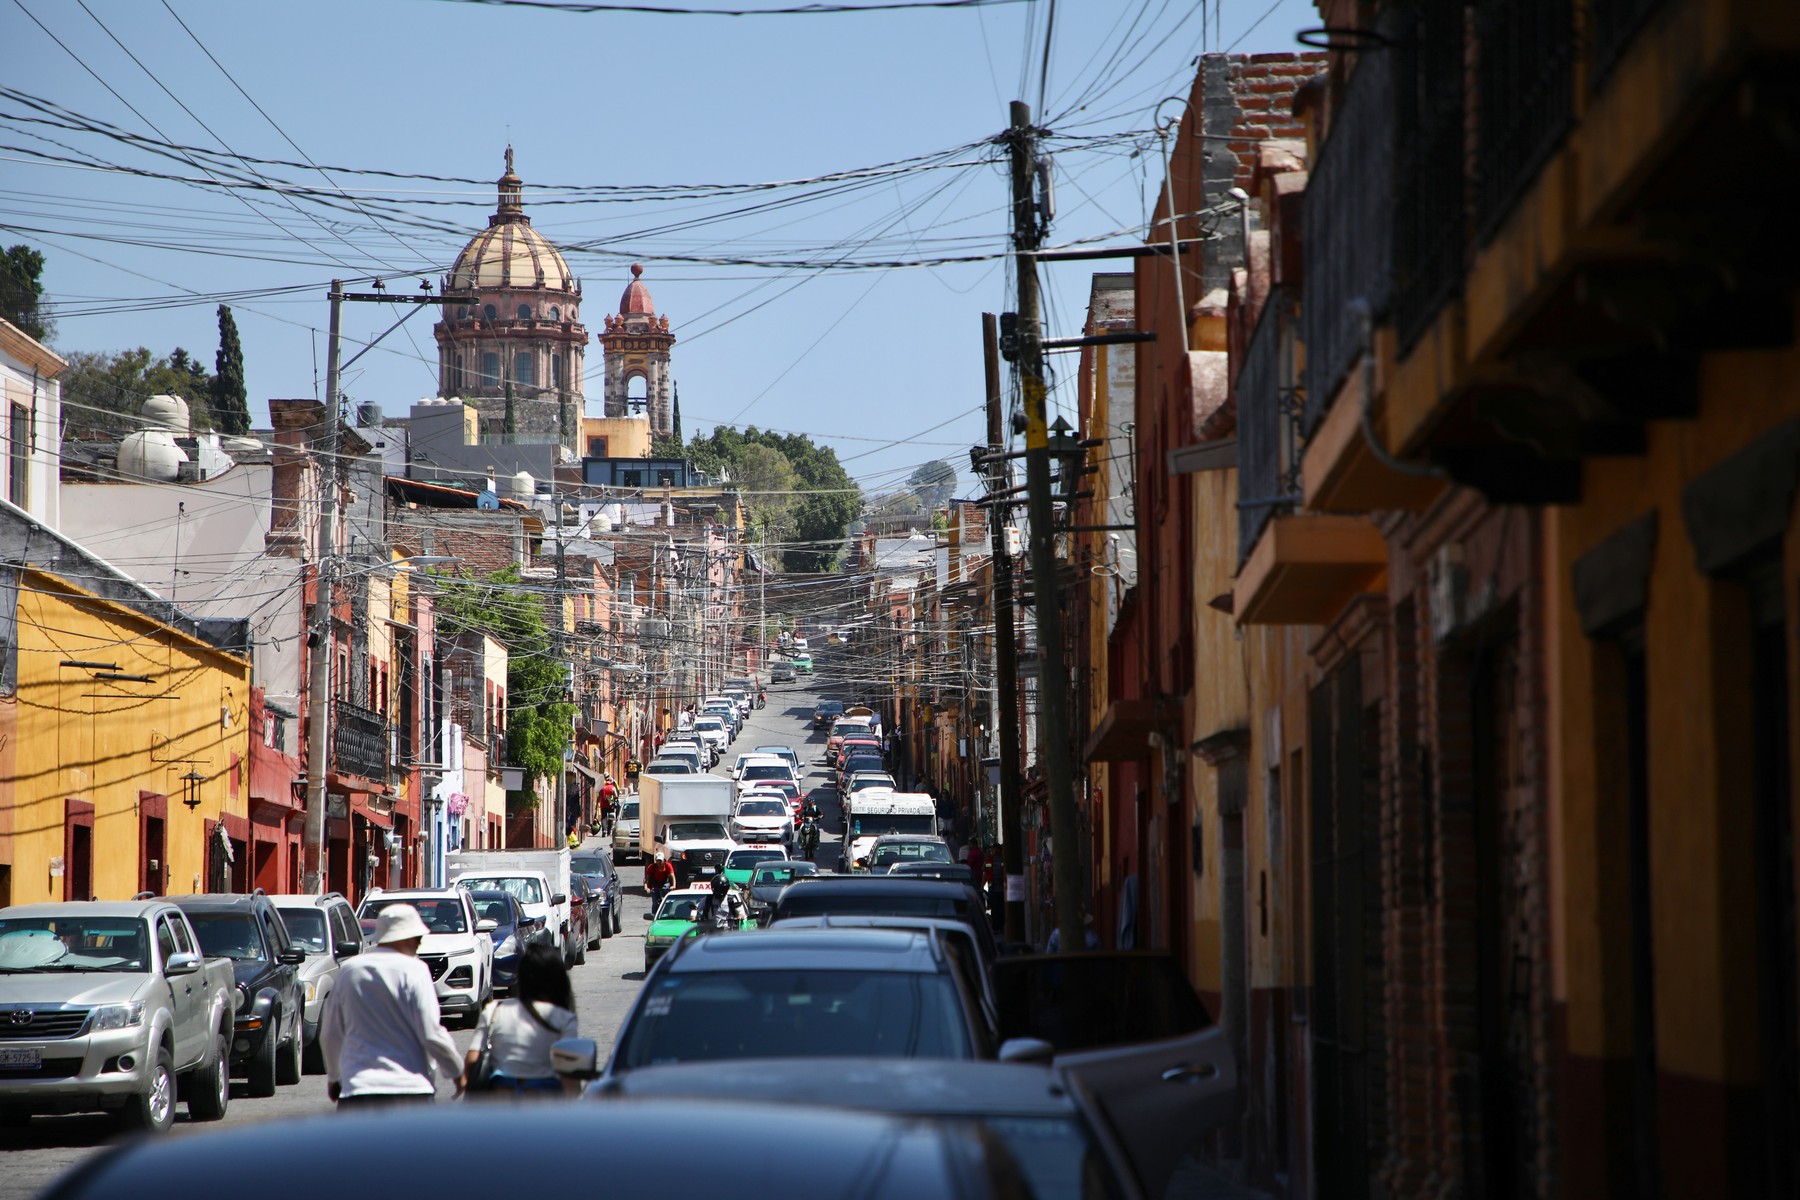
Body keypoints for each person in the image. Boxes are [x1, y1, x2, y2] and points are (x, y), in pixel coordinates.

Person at [320, 904, 465, 1108]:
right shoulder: (415, 970)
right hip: (410, 1090)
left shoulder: (350, 970)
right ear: (404, 938)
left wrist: (334, 1076)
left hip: (358, 1090)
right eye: (417, 938)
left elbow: (331, 1033)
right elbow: (431, 1032)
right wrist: (456, 1071)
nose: (419, 945)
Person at [465, 942, 577, 1096]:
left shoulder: (494, 1010)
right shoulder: (565, 1019)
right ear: (559, 981)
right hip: (546, 1106)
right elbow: (569, 1075)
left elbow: (472, 1058)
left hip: (501, 1104)